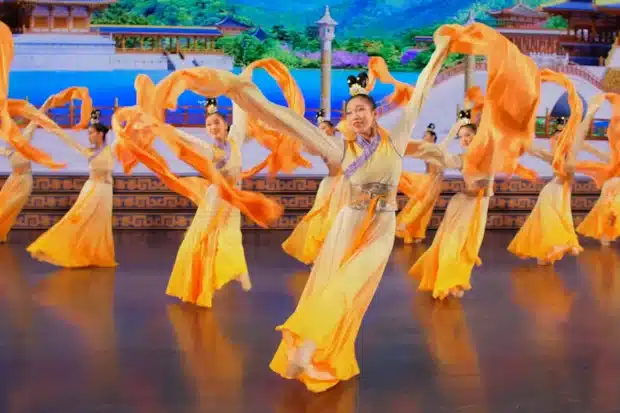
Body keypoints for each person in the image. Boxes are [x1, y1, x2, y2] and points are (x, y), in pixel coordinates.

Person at [507, 72, 595, 265]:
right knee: (548, 221)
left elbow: (564, 156)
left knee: (553, 221)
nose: (556, 138)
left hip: (561, 190)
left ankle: (550, 251)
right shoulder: (556, 154)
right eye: (555, 135)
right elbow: (536, 151)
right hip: (554, 189)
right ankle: (550, 250)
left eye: (561, 134)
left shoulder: (569, 152)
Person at [0, 87, 92, 242]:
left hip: (24, 180)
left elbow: (36, 120)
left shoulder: (24, 140)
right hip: (12, 179)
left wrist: (46, 104)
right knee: (3, 204)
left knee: (10, 205)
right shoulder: (7, 148)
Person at [27, 110, 118, 268]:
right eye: (88, 133)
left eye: (91, 133)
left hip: (106, 192)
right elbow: (67, 138)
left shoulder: (111, 149)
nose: (89, 136)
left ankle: (94, 255)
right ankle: (56, 247)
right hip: (92, 189)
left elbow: (124, 138)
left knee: (100, 224)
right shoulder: (89, 152)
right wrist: (52, 126)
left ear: (100, 134)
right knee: (79, 218)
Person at [575, 93, 620, 246]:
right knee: (607, 212)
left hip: (613, 183)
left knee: (609, 210)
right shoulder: (615, 149)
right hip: (613, 183)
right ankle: (605, 240)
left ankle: (606, 239)